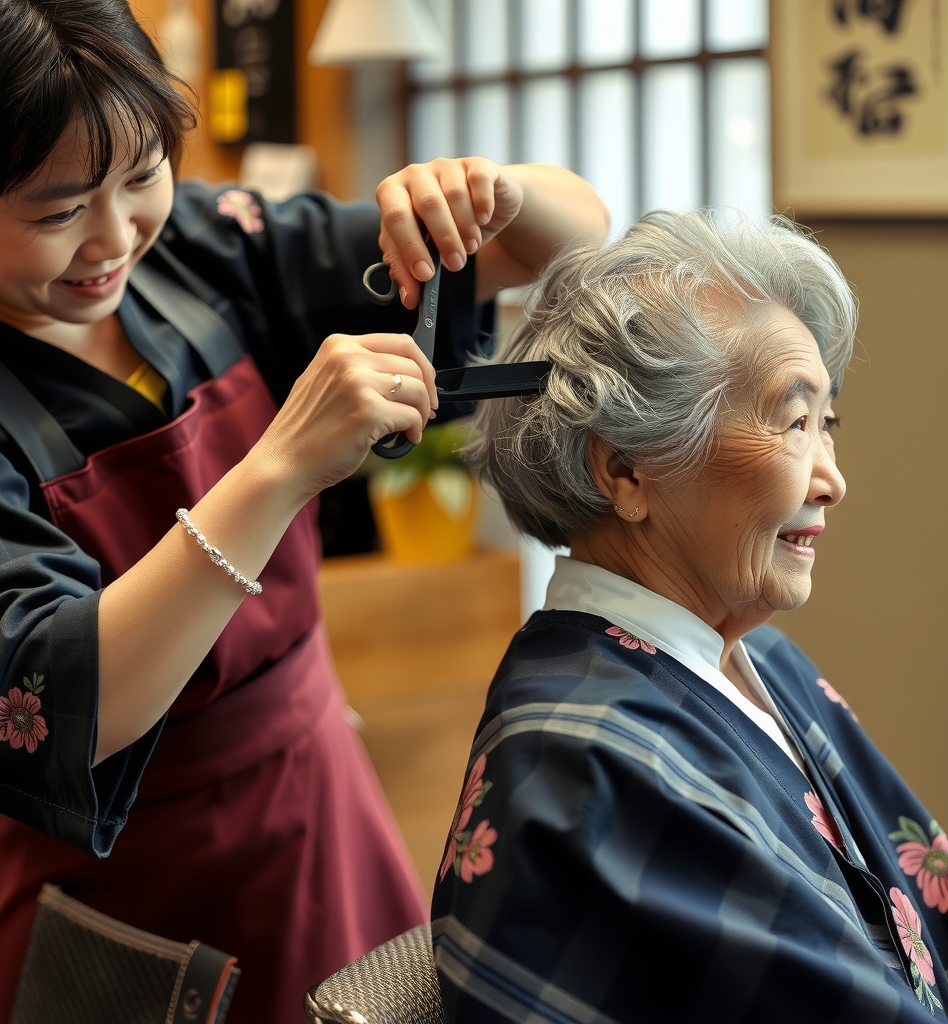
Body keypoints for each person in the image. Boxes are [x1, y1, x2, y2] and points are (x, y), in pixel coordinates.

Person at [0, 1, 609, 1020]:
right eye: (60, 211)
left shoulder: (206, 248)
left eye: (142, 175)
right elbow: (70, 700)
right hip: (122, 900)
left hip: (320, 814)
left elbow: (561, 237)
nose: (113, 240)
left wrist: (494, 192)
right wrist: (275, 468)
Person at [431, 209, 948, 1023]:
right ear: (627, 469)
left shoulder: (765, 660)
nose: (830, 479)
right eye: (791, 422)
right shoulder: (583, 761)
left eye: (828, 425)